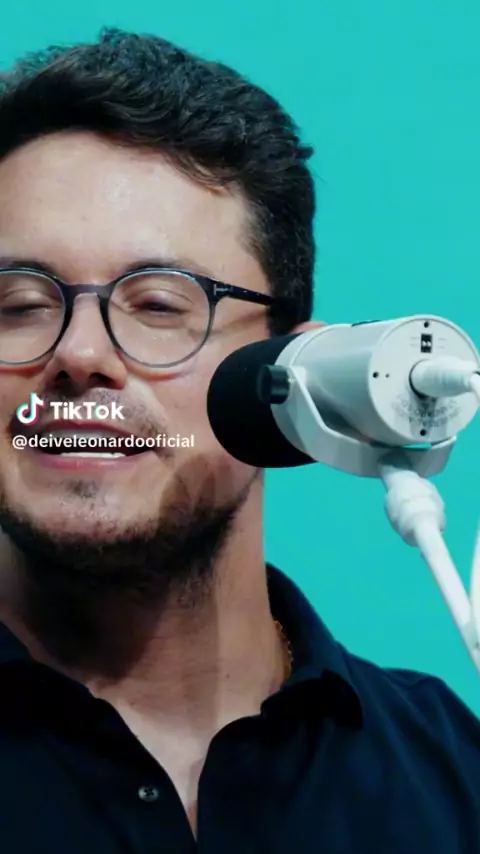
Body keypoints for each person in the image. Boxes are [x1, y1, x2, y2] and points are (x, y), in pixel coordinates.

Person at [0, 28, 478, 854]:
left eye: (159, 304)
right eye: (18, 304)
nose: (76, 354)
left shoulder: (454, 776)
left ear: (293, 370)